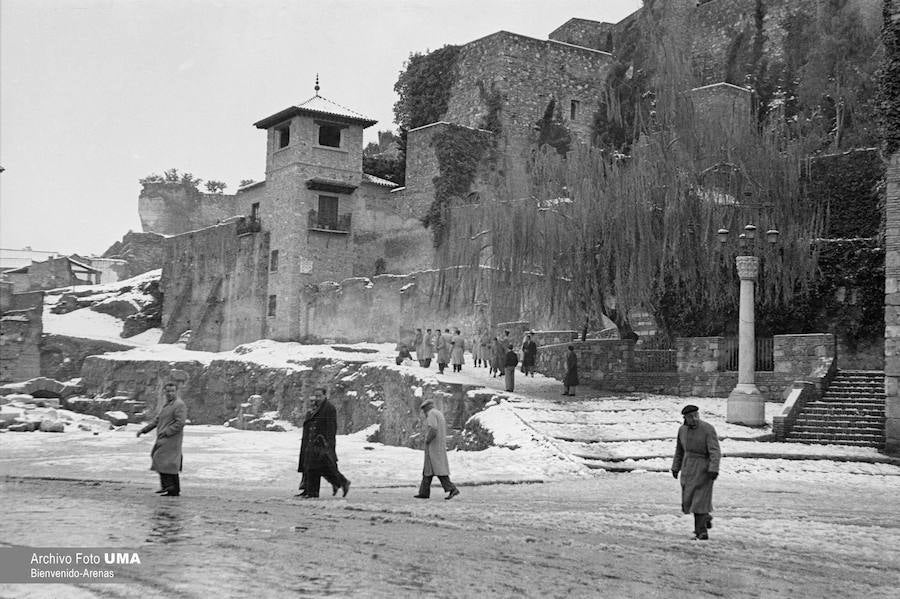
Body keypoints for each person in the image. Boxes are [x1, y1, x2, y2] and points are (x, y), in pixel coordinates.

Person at [671, 405, 720, 540]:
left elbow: (715, 451)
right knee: (690, 500)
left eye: (695, 415)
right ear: (685, 418)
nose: (694, 419)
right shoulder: (682, 430)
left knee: (700, 501)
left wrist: (713, 469)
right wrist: (676, 467)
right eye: (690, 417)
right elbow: (679, 451)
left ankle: (701, 531)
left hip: (704, 469)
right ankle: (705, 518)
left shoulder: (707, 429)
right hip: (688, 468)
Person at [136, 381, 187, 497]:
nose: (170, 393)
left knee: (160, 459)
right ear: (164, 392)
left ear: (176, 392)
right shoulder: (167, 405)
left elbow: (180, 422)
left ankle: (168, 485)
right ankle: (174, 490)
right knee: (170, 463)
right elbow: (156, 421)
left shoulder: (179, 405)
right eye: (168, 391)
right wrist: (143, 430)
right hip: (164, 438)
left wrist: (167, 432)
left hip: (172, 439)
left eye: (172, 391)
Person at [301, 387, 351, 499]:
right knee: (312, 467)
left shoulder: (329, 408)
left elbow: (331, 427)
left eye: (319, 396)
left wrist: (328, 444)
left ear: (325, 395)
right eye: (316, 396)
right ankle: (311, 491)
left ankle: (341, 483)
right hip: (314, 442)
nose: (317, 398)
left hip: (321, 443)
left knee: (321, 467)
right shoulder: (317, 407)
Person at [414, 399, 460, 500]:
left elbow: (433, 429)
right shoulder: (438, 413)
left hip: (433, 446)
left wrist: (427, 439)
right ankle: (424, 492)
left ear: (426, 408)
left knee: (438, 470)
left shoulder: (431, 414)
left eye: (423, 410)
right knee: (428, 470)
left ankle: (452, 489)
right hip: (439, 446)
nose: (424, 413)